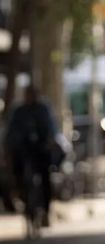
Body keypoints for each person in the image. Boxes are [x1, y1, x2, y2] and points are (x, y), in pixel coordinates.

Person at [4, 85, 60, 227]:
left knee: (45, 177)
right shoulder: (18, 111)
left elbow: (52, 128)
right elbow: (10, 133)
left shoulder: (43, 109)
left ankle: (46, 211)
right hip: (23, 150)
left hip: (41, 149)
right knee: (18, 174)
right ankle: (21, 197)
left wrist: (50, 141)